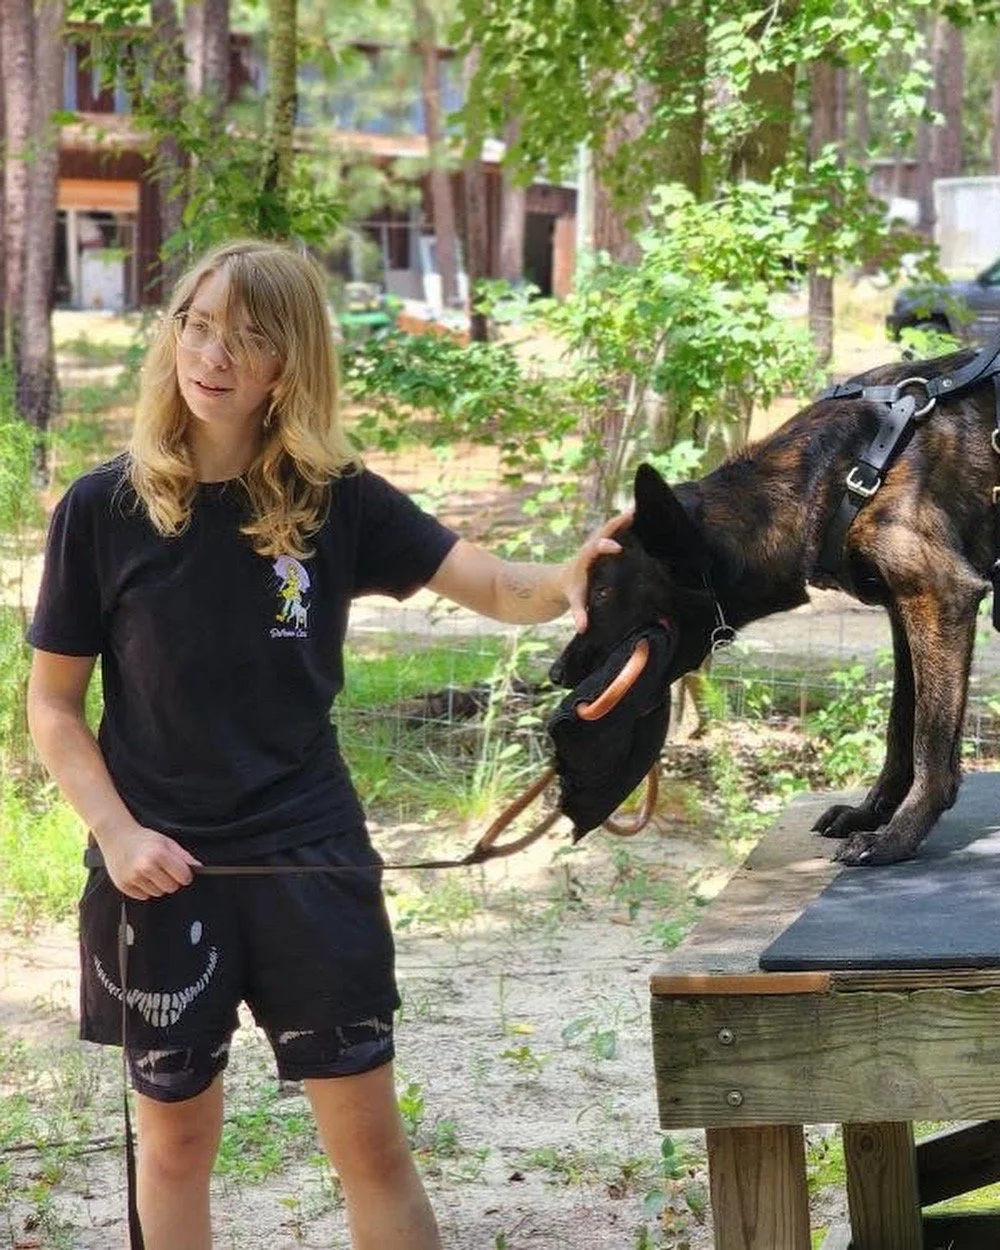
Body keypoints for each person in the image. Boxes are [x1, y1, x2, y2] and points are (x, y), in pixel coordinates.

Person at [25, 238, 625, 1250]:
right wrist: (118, 834)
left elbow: (492, 586)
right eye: (199, 325)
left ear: (286, 364)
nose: (213, 354)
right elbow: (52, 707)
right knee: (173, 1146)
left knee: (373, 1151)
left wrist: (570, 579)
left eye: (249, 336)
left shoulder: (333, 497)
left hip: (312, 859)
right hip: (157, 873)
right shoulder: (103, 509)